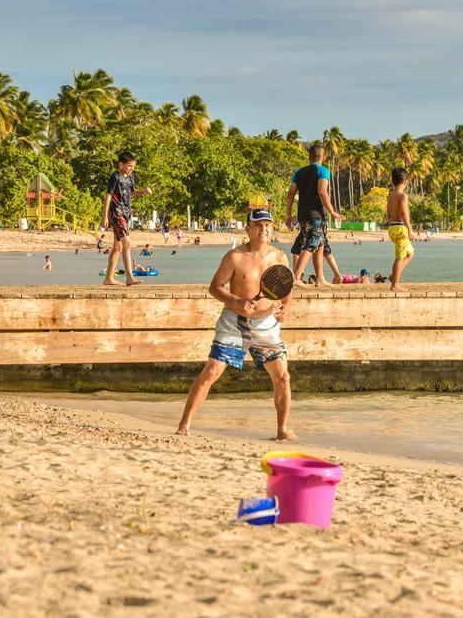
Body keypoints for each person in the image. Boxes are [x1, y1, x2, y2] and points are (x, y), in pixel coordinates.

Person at [176, 209, 295, 440]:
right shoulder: (234, 257)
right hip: (234, 323)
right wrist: (236, 301)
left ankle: (282, 430)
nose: (263, 229)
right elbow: (215, 287)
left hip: (266, 325)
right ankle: (184, 424)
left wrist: (285, 308)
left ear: (272, 228)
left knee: (283, 376)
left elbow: (287, 288)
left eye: (267, 225)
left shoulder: (280, 257)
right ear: (248, 229)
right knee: (212, 372)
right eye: (258, 225)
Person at [285, 144, 345, 287]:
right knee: (311, 243)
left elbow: (291, 193)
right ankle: (296, 278)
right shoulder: (323, 170)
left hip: (302, 214)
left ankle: (320, 279)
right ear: (323, 157)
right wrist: (332, 211)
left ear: (309, 157)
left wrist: (288, 214)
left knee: (320, 244)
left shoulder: (299, 172)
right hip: (316, 213)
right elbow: (322, 191)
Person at [101, 151, 152, 286]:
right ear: (121, 164)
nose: (131, 169)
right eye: (129, 166)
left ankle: (109, 279)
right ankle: (130, 277)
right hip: (116, 213)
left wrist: (144, 192)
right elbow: (108, 196)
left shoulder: (130, 177)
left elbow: (132, 192)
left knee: (117, 246)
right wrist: (104, 216)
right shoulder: (115, 177)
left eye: (133, 166)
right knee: (127, 243)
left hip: (125, 213)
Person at [386, 168, 416, 291]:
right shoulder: (403, 196)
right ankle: (395, 284)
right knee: (400, 256)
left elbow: (388, 212)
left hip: (393, 226)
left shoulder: (391, 195)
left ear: (392, 181)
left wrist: (391, 225)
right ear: (405, 182)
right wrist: (410, 229)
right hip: (400, 228)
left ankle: (394, 276)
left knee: (410, 253)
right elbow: (404, 213)